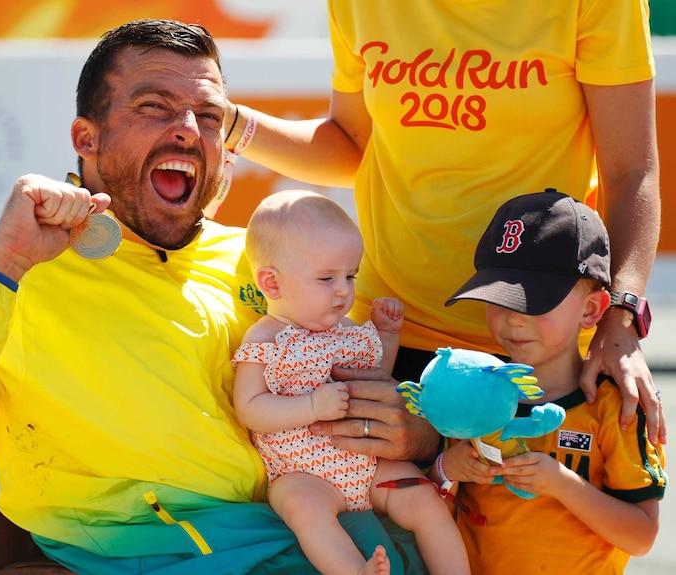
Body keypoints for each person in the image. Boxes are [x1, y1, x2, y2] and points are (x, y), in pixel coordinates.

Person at [0, 19, 437, 575]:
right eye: (153, 106)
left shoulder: (270, 262)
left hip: (295, 532)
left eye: (209, 115)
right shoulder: (12, 274)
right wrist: (0, 265)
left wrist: (412, 431)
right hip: (139, 552)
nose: (187, 126)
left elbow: (375, 390)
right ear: (87, 137)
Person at [223, 0, 666, 445]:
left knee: (543, 512)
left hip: (539, 342)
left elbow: (630, 172)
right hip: (387, 338)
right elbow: (352, 146)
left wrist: (622, 317)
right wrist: (227, 122)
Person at [232, 190, 470, 575]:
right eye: (326, 278)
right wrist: (311, 406)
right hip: (300, 471)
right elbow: (250, 408)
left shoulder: (347, 330)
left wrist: (387, 336)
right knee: (303, 511)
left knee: (426, 500)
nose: (343, 290)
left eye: (350, 276)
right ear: (272, 284)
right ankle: (351, 570)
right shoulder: (264, 341)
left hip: (368, 464)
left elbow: (374, 378)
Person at [439, 189, 666, 573]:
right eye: (499, 301)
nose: (513, 320)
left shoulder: (615, 407)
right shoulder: (469, 391)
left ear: (592, 309)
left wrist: (562, 484)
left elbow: (641, 536)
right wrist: (447, 470)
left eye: (533, 302)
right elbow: (431, 508)